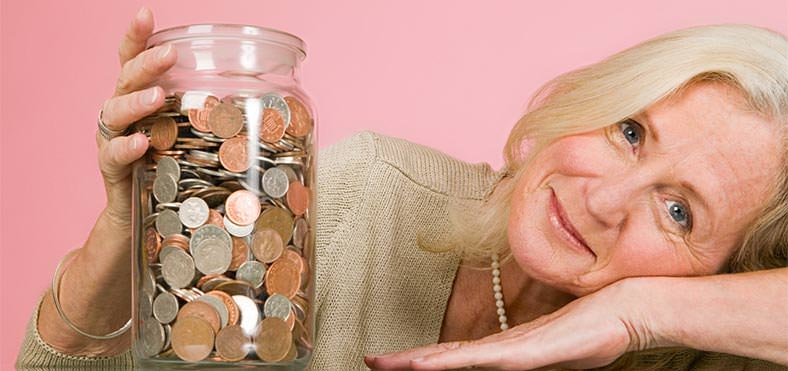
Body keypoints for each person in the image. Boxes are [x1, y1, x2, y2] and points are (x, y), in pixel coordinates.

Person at [15, 7, 788, 371]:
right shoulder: (366, 198)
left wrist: (644, 312)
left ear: (735, 272)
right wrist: (121, 232)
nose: (605, 199)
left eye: (680, 211)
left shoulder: (714, 349)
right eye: (630, 131)